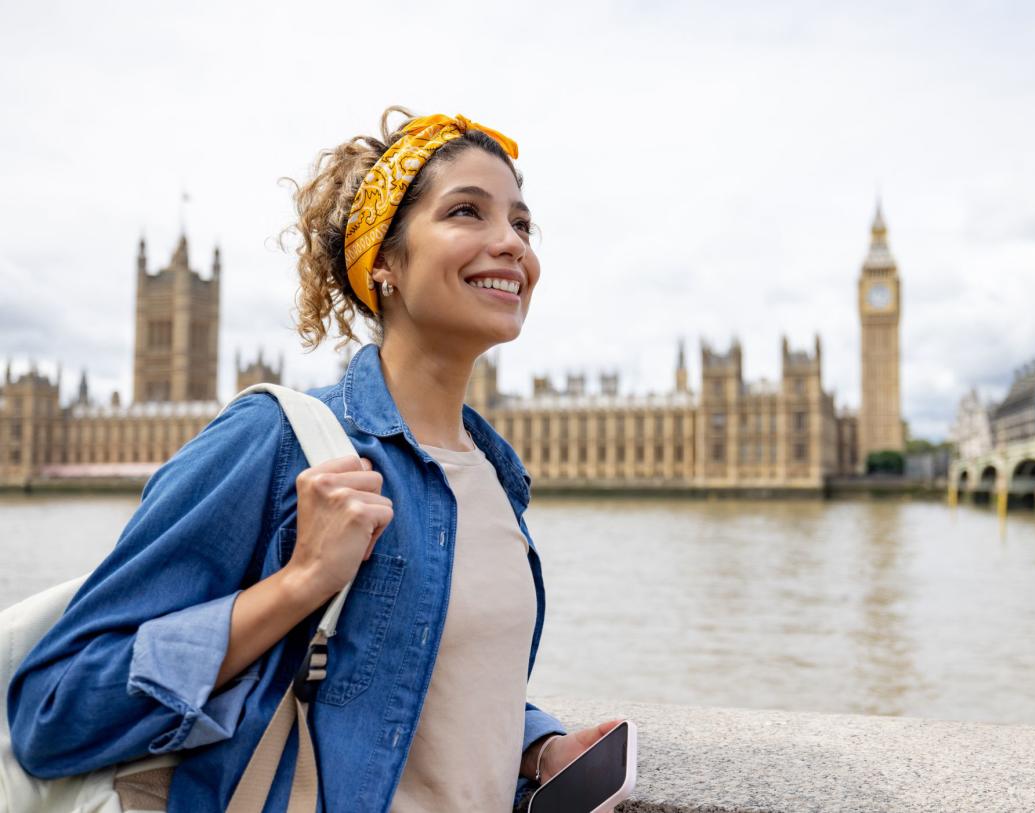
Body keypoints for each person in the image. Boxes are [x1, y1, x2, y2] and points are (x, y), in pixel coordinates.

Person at [8, 109, 621, 812]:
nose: (508, 242)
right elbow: (53, 711)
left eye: (522, 223)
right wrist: (300, 581)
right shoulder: (276, 438)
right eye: (466, 212)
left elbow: (423, 676)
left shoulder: (495, 474)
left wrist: (538, 744)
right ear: (384, 262)